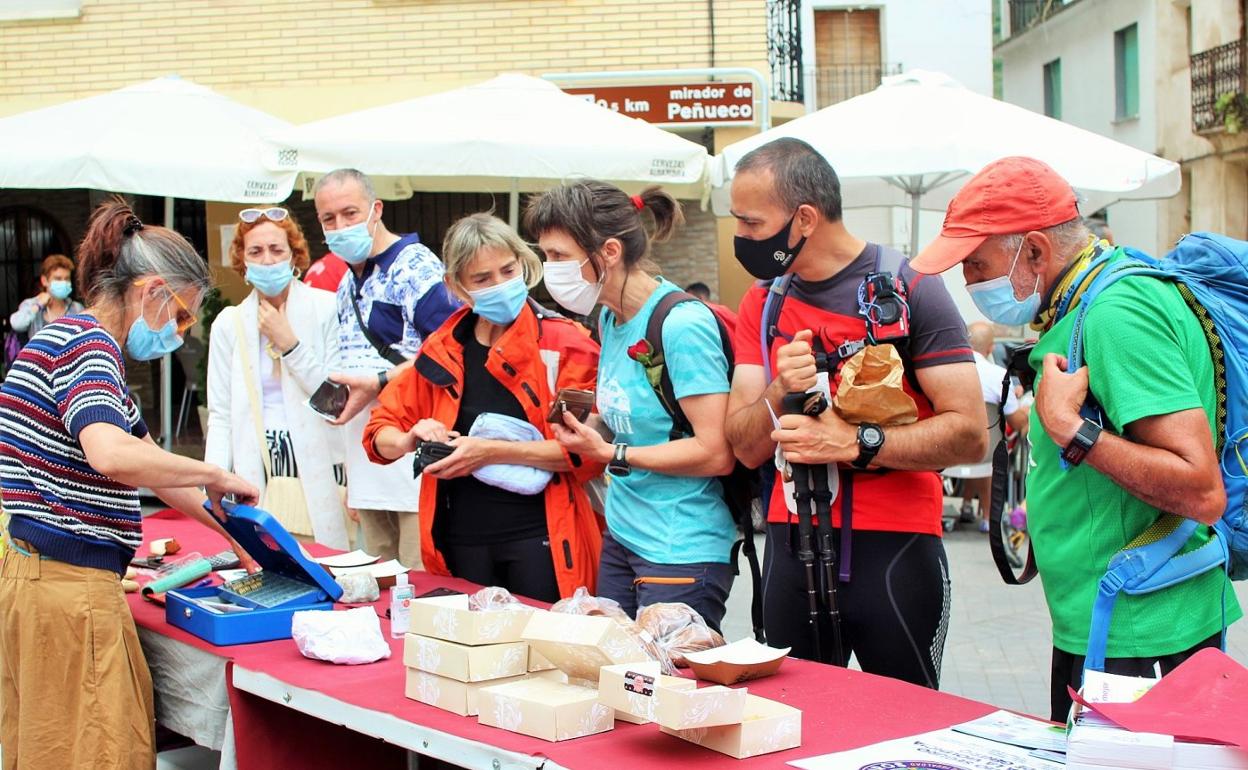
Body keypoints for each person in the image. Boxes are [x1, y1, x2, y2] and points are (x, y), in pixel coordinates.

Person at [908, 155, 1239, 721]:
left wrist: (1072, 430)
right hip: (1112, 620)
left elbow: (1201, 490)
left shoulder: (1117, 314)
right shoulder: (1084, 301)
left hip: (1143, 634)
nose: (968, 282)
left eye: (977, 264)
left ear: (1035, 250)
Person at [0, 199, 259, 769]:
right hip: (67, 588)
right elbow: (112, 455)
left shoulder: (79, 346)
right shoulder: (87, 345)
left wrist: (238, 536)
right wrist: (214, 471)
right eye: (183, 315)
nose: (179, 330)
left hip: (42, 581)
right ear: (153, 293)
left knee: (50, 748)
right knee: (99, 750)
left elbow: (149, 461)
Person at [723, 138, 986, 687]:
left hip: (895, 547)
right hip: (791, 544)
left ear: (804, 218)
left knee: (908, 724)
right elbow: (743, 445)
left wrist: (855, 442)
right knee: (792, 727)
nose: (741, 238)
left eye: (750, 223)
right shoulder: (762, 302)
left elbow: (969, 435)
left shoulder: (911, 288)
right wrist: (777, 391)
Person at [525, 181, 738, 631]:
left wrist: (611, 454)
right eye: (546, 256)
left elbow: (714, 451)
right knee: (614, 678)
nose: (551, 270)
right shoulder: (608, 316)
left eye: (560, 257)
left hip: (680, 546)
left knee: (663, 689)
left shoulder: (681, 325)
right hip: (622, 535)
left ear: (609, 252)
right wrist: (592, 429)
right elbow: (636, 422)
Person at [363, 214, 603, 601]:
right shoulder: (443, 349)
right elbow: (379, 434)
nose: (500, 285)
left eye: (508, 270)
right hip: (457, 540)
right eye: (482, 279)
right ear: (456, 286)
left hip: (541, 538)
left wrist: (488, 452)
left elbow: (587, 455)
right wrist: (412, 437)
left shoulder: (565, 345)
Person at [314, 169, 460, 568]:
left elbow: (452, 352)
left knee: (419, 586)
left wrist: (378, 381)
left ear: (376, 210)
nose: (341, 227)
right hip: (368, 463)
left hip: (414, 463)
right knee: (374, 590)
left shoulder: (416, 268)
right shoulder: (347, 283)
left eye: (350, 213)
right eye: (329, 219)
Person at [204, 207, 349, 549]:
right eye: (256, 251)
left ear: (294, 255)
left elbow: (338, 401)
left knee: (322, 561)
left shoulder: (327, 308)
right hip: (257, 466)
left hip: (319, 463)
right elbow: (221, 414)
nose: (267, 260)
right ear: (243, 261)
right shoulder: (229, 323)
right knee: (266, 561)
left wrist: (290, 344)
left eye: (276, 249)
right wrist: (214, 475)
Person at [962, 321, 1030, 531]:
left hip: (950, 450)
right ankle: (987, 516)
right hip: (985, 453)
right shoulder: (997, 376)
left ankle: (966, 505)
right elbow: (1016, 423)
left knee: (971, 443)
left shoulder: (948, 372)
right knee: (988, 445)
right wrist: (1028, 411)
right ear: (991, 348)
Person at [8, 254, 86, 337]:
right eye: (58, 279)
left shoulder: (77, 308)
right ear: (44, 281)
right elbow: (17, 325)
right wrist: (38, 305)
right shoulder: (31, 304)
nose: (64, 283)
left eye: (67, 279)